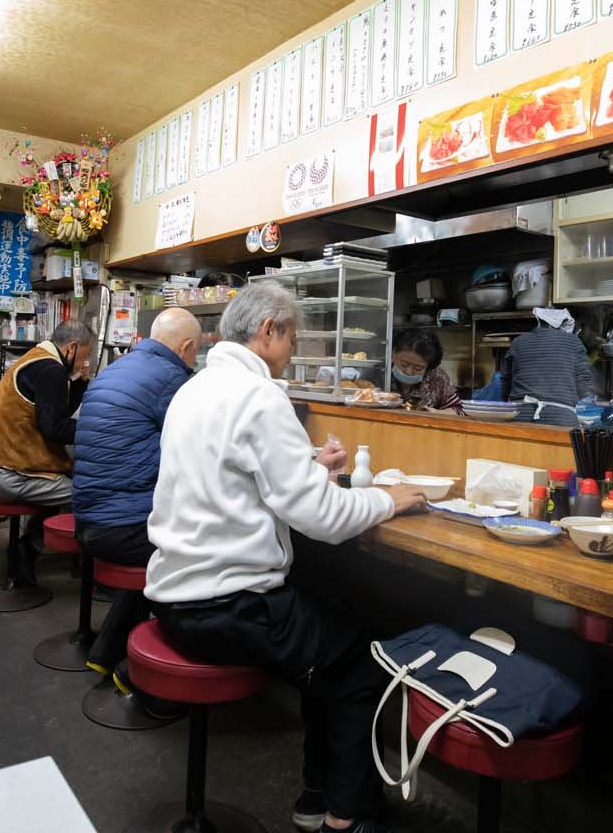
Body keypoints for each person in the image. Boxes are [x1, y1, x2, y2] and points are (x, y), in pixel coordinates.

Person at [146, 282, 426, 833]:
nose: (293, 352)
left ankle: (315, 797)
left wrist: (309, 467)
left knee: (327, 640)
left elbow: (233, 481)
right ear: (267, 331)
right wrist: (385, 500)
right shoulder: (261, 396)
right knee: (356, 662)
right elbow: (322, 518)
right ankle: (346, 817)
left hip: (174, 597)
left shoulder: (196, 388)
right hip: (228, 607)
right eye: (291, 338)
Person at [72, 307, 201, 679]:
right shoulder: (171, 379)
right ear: (188, 347)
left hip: (88, 518)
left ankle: (106, 652)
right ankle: (146, 669)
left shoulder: (116, 368)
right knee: (194, 552)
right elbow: (200, 445)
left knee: (159, 549)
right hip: (121, 527)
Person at [0, 320, 95, 582]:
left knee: (62, 485)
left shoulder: (36, 359)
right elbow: (56, 427)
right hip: (9, 474)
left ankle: (27, 548)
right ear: (72, 347)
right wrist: (99, 432)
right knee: (85, 493)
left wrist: (80, 383)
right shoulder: (51, 370)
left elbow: (55, 410)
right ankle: (78, 566)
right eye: (85, 355)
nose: (85, 362)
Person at [501, 307, 594, 426]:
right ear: (559, 325)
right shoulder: (573, 342)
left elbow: (505, 382)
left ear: (539, 322)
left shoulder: (518, 342)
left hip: (520, 415)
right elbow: (584, 383)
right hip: (561, 418)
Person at [388, 328, 463, 413]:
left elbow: (458, 411)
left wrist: (435, 413)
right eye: (404, 364)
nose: (409, 372)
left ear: (428, 366)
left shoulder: (437, 378)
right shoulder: (379, 372)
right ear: (393, 353)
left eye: (418, 368)